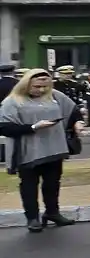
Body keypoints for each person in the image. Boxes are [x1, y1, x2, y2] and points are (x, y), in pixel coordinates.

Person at [0, 69, 83, 232]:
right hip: (28, 151)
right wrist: (33, 127)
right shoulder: (13, 101)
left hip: (54, 148)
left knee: (53, 183)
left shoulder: (55, 96)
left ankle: (52, 213)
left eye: (45, 86)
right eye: (37, 87)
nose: (42, 90)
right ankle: (32, 218)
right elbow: (4, 127)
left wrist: (77, 122)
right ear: (26, 84)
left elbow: (73, 110)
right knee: (29, 185)